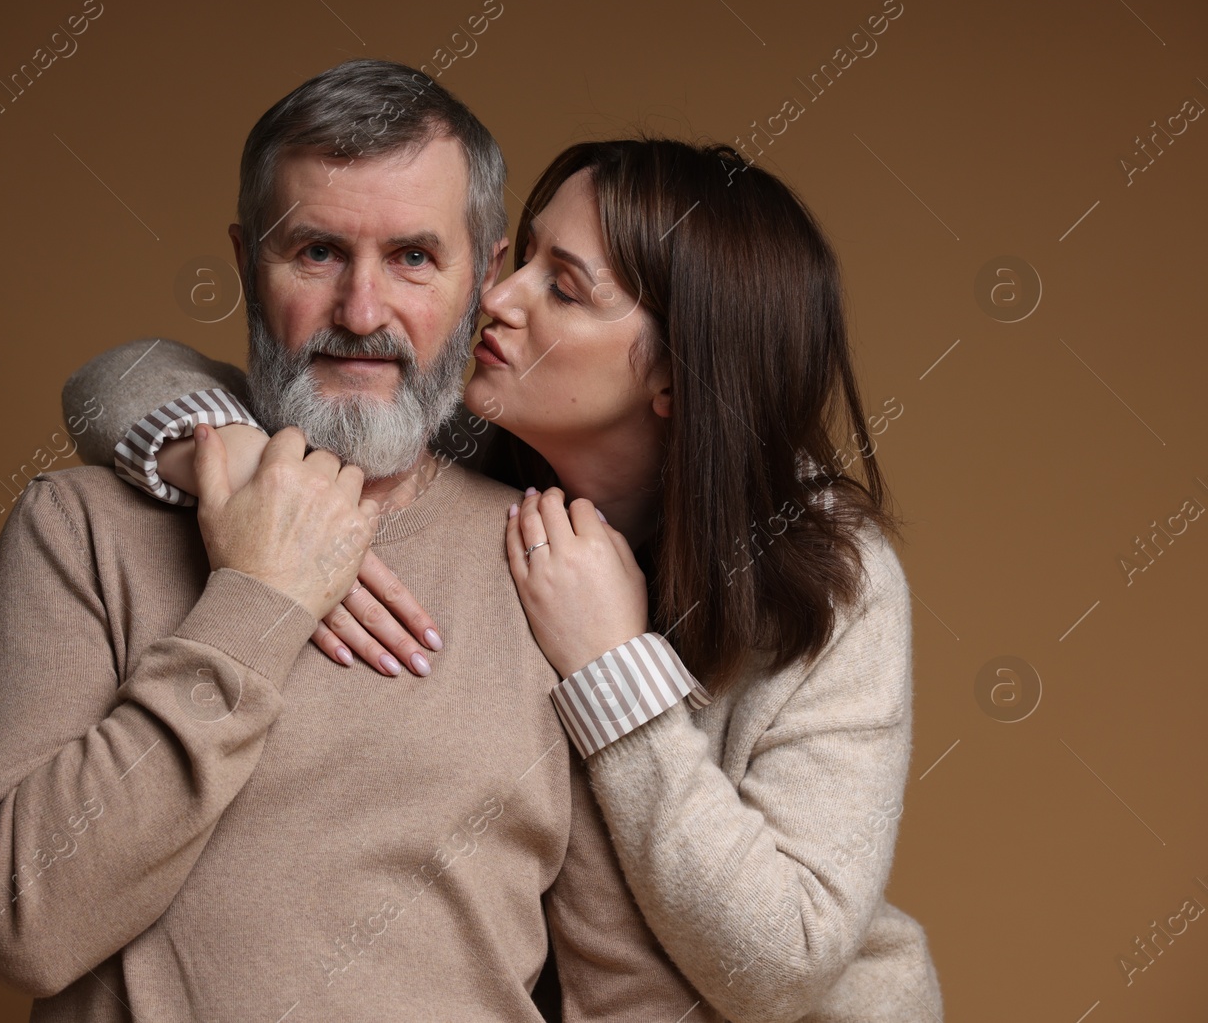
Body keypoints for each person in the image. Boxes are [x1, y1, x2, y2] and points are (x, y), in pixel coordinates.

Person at [75, 137, 947, 1019]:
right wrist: (242, 470)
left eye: (562, 286)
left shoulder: (832, 574)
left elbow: (785, 958)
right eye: (522, 255)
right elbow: (118, 376)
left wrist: (613, 670)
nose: (495, 298)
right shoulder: (456, 445)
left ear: (679, 374)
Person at [0, 59, 712, 1021]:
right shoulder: (78, 530)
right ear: (243, 262)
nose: (361, 313)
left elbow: (632, 997)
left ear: (484, 270)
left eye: (413, 258)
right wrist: (258, 600)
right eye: (315, 252)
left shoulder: (555, 567)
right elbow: (23, 922)